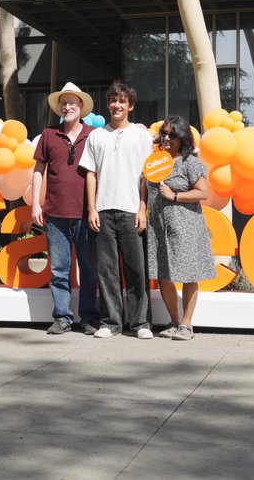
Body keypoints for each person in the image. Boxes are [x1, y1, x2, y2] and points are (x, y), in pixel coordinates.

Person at [78, 80, 153, 339]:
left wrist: (143, 208)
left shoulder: (141, 135)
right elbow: (91, 174)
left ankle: (141, 322)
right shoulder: (97, 136)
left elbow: (146, 176)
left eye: (122, 101)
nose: (116, 105)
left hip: (132, 210)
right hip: (104, 210)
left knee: (136, 269)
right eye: (113, 100)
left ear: (130, 106)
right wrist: (91, 208)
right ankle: (110, 322)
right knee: (106, 270)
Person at [31, 82, 99, 335]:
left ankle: (90, 318)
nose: (68, 106)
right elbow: (38, 171)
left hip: (86, 213)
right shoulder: (48, 135)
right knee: (59, 271)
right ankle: (62, 318)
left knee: (89, 270)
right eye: (64, 103)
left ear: (81, 106)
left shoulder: (94, 135)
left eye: (72, 102)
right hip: (56, 215)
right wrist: (36, 203)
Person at [147, 116, 216, 341]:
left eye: (171, 134)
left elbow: (204, 193)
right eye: (164, 133)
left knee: (188, 274)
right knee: (164, 276)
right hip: (159, 225)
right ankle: (174, 322)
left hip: (185, 225)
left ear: (182, 138)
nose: (166, 137)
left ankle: (186, 325)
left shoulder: (190, 162)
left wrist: (175, 195)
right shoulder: (156, 160)